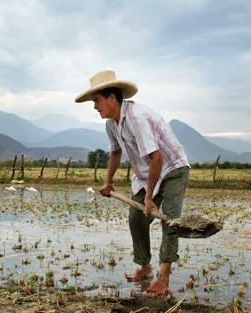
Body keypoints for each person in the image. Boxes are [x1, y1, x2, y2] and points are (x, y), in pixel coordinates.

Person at [75, 70, 190, 298]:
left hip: (172, 167)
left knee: (170, 221)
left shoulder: (137, 117)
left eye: (97, 100)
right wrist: (108, 182)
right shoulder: (111, 124)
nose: (95, 106)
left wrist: (149, 198)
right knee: (136, 218)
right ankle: (146, 270)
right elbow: (115, 154)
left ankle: (163, 279)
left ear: (112, 98)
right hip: (147, 173)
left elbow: (157, 157)